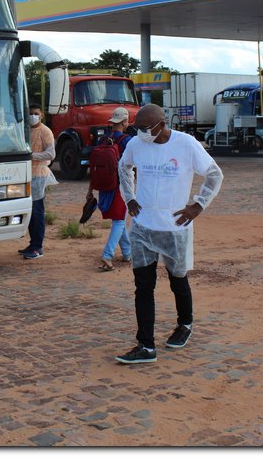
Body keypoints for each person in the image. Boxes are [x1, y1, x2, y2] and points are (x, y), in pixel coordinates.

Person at [115, 103, 223, 364]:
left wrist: (197, 206)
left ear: (161, 124)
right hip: (142, 226)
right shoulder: (135, 145)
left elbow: (214, 174)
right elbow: (123, 168)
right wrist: (129, 197)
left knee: (178, 279)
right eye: (136, 128)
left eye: (144, 128)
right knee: (143, 286)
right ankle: (146, 346)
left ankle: (185, 324)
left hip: (174, 227)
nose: (140, 133)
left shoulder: (186, 144)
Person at [90, 107, 133, 271]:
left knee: (119, 218)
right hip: (121, 186)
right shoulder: (127, 141)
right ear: (124, 122)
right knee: (120, 220)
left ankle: (128, 253)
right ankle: (107, 255)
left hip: (104, 185)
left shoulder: (103, 140)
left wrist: (90, 190)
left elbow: (93, 166)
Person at [18, 103, 56, 260]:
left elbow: (51, 154)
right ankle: (32, 243)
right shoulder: (24, 130)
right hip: (25, 175)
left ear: (41, 115)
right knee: (30, 212)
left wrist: (32, 155)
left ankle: (37, 247)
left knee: (37, 212)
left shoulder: (45, 131)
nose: (32, 116)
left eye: (35, 113)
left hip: (38, 175)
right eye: (30, 113)